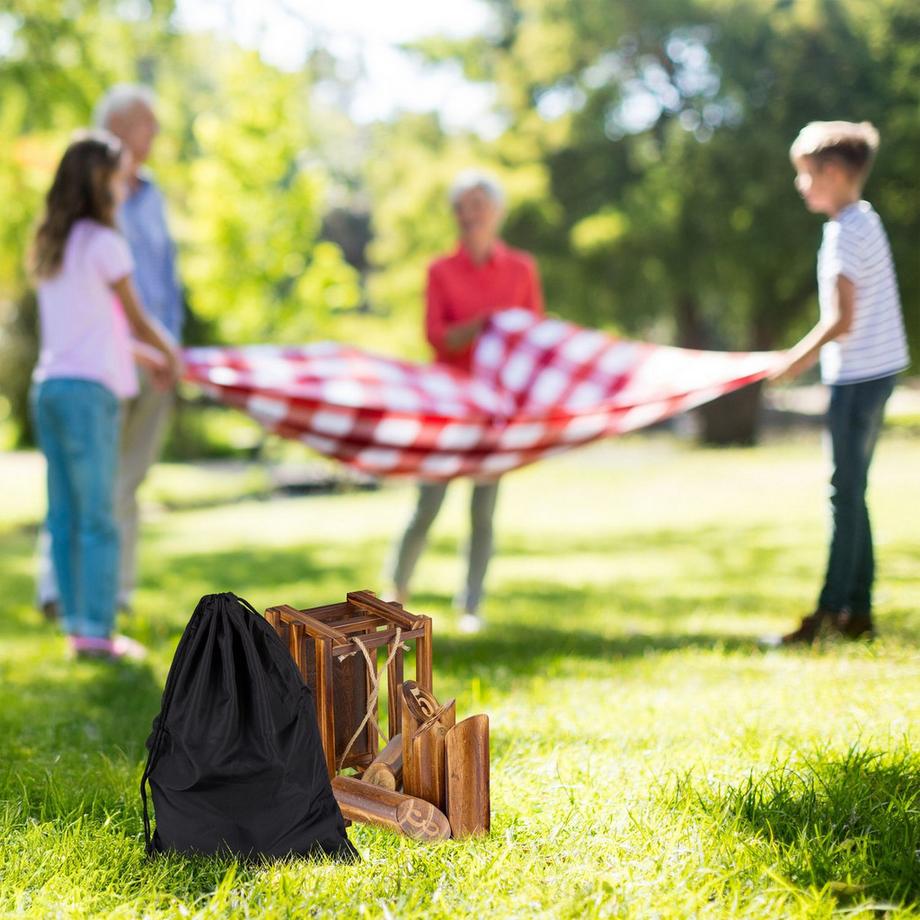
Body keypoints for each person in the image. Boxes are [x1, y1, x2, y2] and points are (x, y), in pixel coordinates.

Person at [30, 130, 182, 659]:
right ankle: (97, 632)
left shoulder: (53, 243)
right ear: (101, 182)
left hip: (50, 389)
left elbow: (96, 329)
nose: (127, 184)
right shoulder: (106, 243)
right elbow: (137, 319)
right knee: (98, 515)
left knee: (67, 514)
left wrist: (149, 359)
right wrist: (171, 352)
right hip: (90, 397)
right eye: (121, 174)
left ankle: (79, 626)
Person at [771, 121, 910, 644]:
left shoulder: (845, 233)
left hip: (857, 379)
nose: (801, 186)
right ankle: (858, 613)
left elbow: (841, 320)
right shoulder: (864, 220)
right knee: (853, 492)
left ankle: (830, 613)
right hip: (876, 373)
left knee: (844, 494)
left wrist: (794, 360)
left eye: (805, 176)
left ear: (832, 173)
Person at [389, 170, 544, 633]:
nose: (470, 213)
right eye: (463, 205)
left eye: (479, 204)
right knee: (427, 504)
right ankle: (395, 592)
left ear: (496, 213)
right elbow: (437, 335)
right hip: (450, 404)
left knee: (483, 511)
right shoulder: (441, 271)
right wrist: (484, 324)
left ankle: (471, 604)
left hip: (497, 407)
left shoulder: (521, 270)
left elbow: (534, 332)